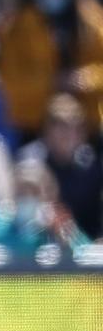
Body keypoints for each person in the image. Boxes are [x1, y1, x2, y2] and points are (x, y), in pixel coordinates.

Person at [0, 0, 103, 139]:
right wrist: (52, 82)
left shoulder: (91, 18)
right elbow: (7, 79)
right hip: (32, 125)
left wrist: (84, 79)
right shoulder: (14, 24)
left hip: (89, 126)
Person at [20, 94, 103, 236]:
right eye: (61, 125)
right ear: (46, 128)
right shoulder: (30, 162)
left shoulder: (91, 165)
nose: (71, 133)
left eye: (77, 126)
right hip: (37, 244)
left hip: (83, 246)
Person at [0, 158, 88, 260]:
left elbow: (87, 253)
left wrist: (63, 237)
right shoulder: (1, 220)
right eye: (21, 192)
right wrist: (36, 232)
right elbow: (4, 248)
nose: (27, 197)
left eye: (34, 192)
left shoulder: (57, 220)